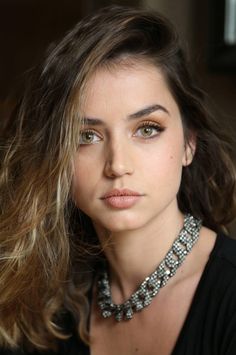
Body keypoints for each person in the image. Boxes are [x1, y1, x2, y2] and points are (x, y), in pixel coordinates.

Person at [0, 5, 236, 355]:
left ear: (189, 143)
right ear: (57, 156)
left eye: (147, 129)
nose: (117, 165)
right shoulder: (39, 301)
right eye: (87, 137)